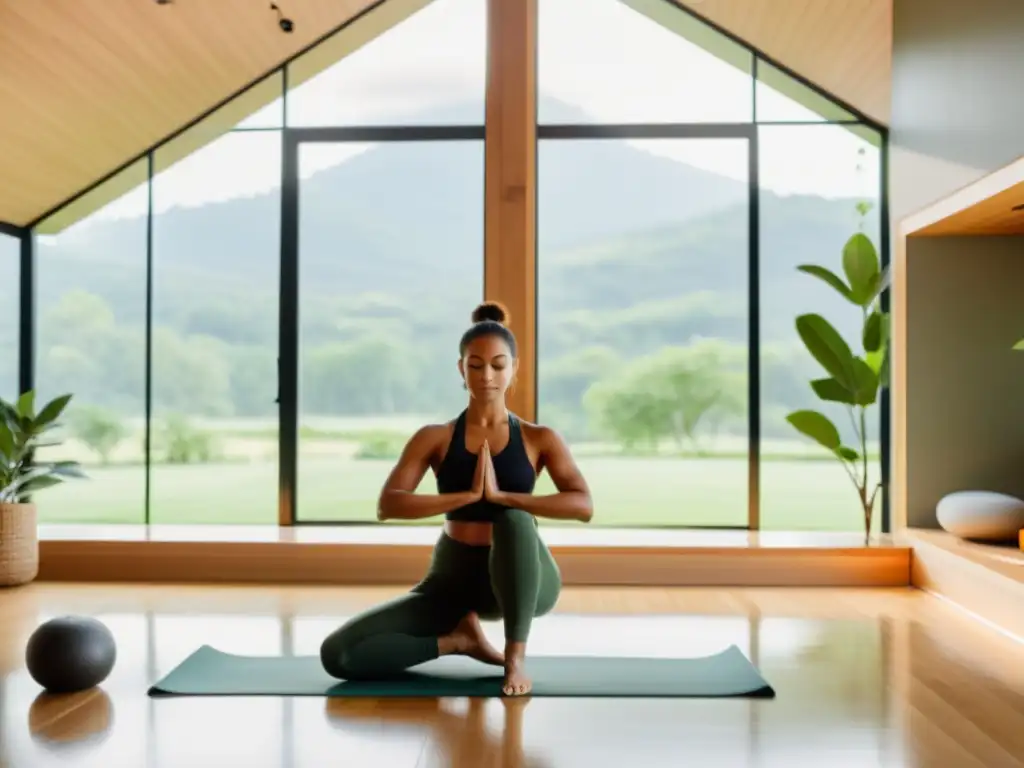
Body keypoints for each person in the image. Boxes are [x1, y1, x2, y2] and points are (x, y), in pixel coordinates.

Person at [320, 301, 593, 696]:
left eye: (498, 365)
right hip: (453, 579)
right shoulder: (435, 437)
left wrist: (505, 497)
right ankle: (459, 641)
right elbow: (389, 504)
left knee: (513, 520)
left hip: (522, 579)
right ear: (461, 369)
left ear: (514, 368)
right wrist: (464, 496)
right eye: (476, 365)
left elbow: (582, 505)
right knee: (339, 654)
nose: (487, 375)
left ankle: (514, 657)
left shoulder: (539, 438)